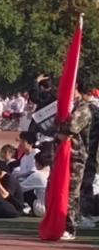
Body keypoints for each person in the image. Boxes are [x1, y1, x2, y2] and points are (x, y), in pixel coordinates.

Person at [51, 83, 92, 240]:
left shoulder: (83, 108)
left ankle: (69, 227)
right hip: (61, 155)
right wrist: (59, 132)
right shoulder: (66, 107)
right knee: (56, 189)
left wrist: (59, 131)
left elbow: (71, 129)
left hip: (75, 156)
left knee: (70, 193)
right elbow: (54, 126)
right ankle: (56, 224)